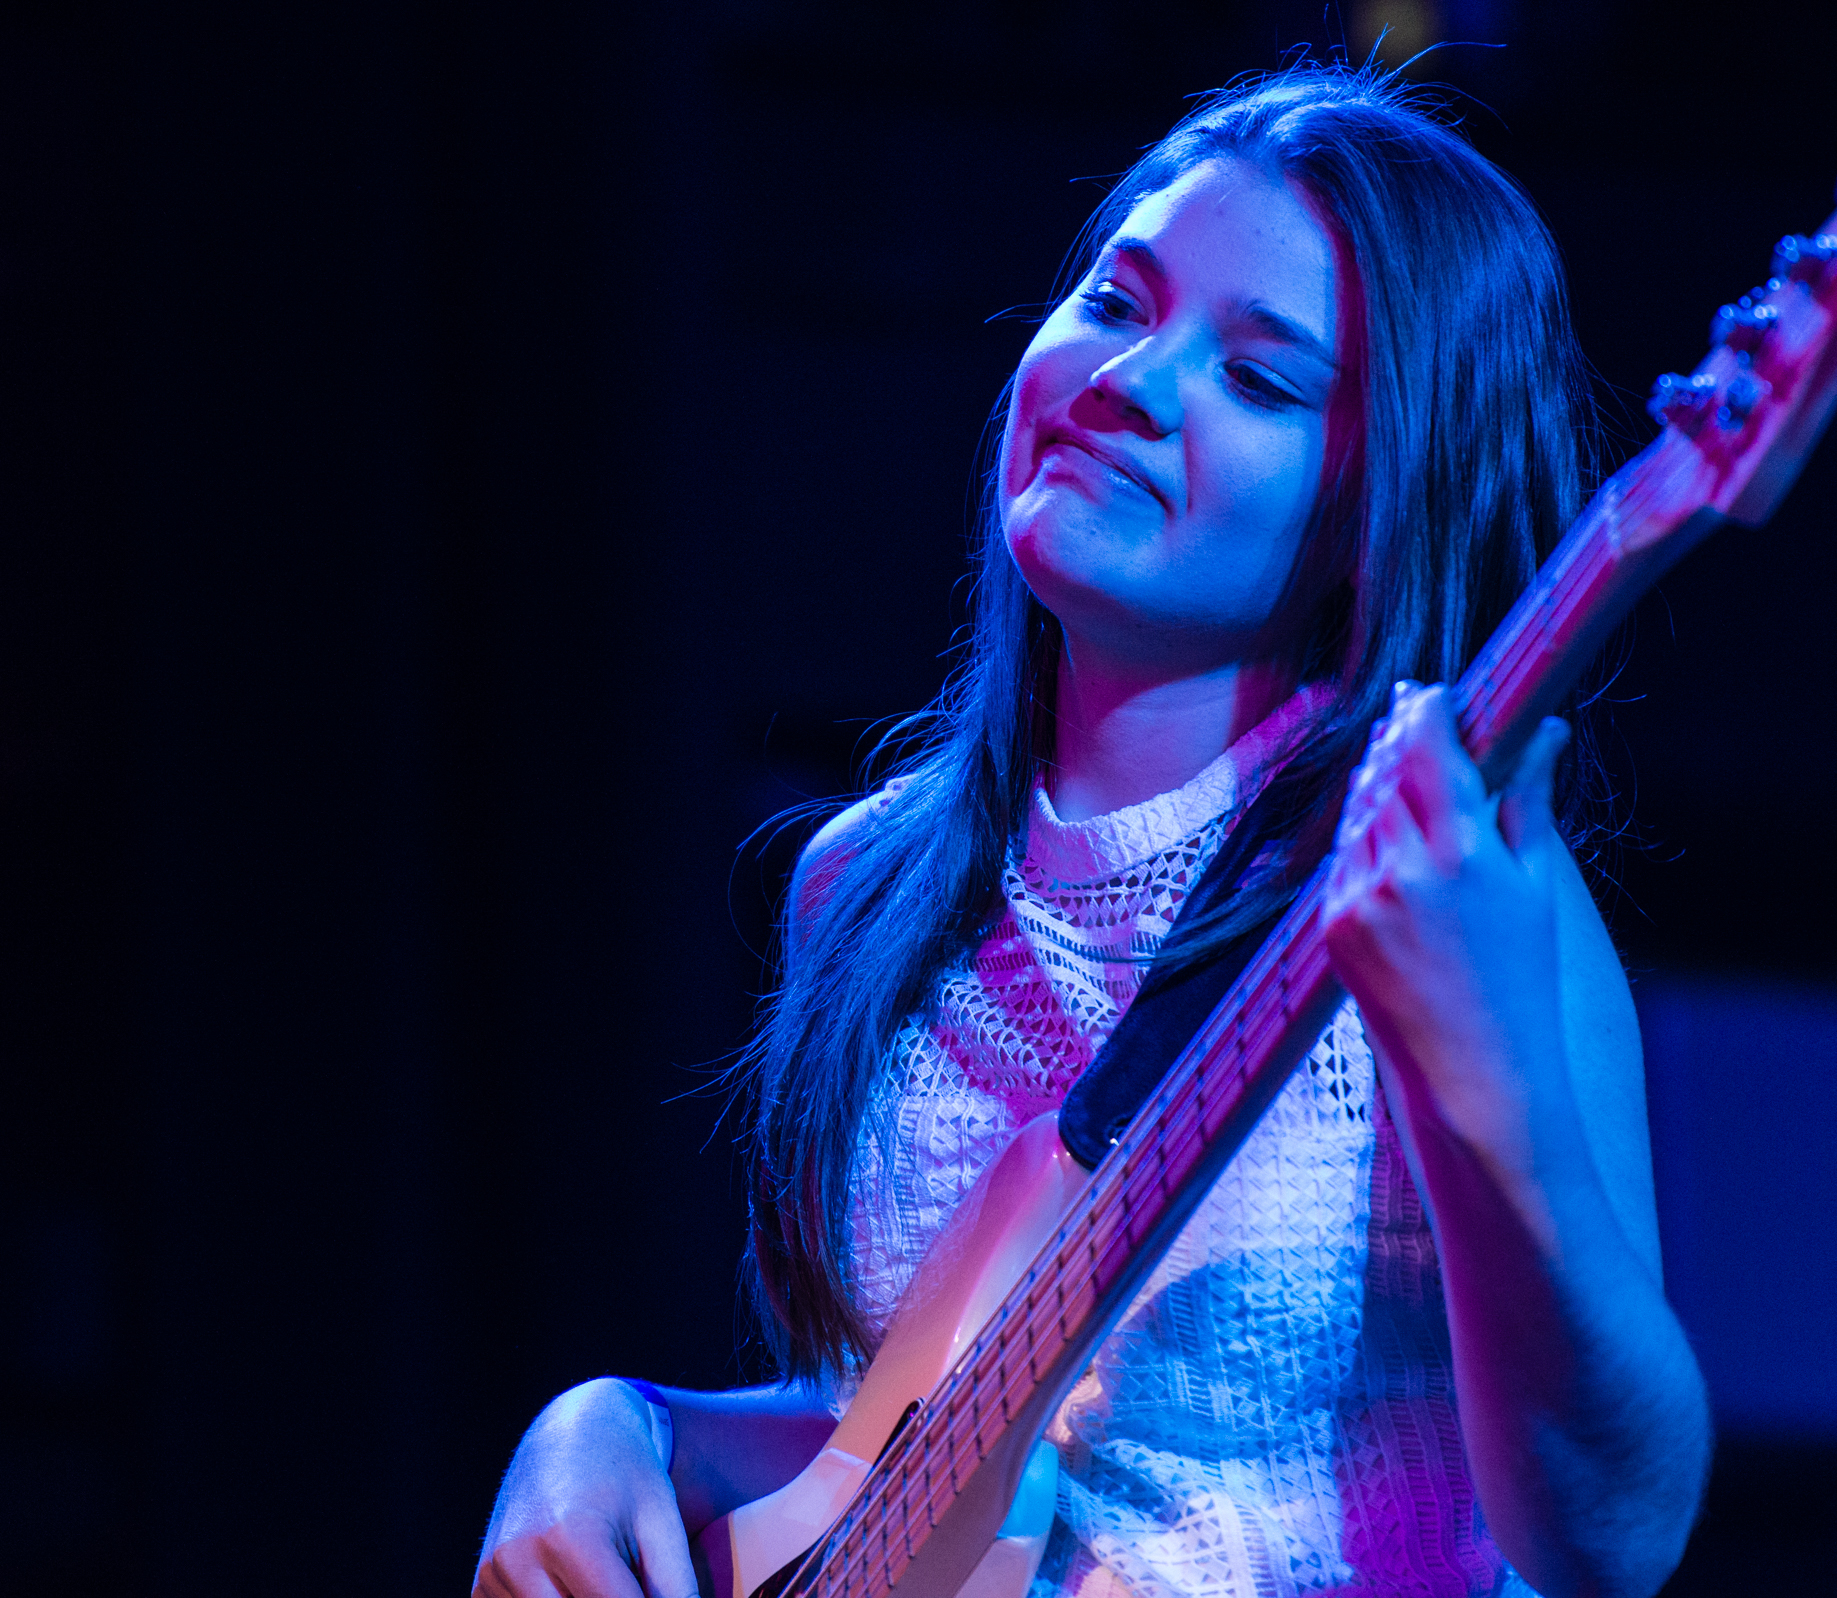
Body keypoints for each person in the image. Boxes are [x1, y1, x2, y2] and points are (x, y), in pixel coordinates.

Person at [474, 64, 1712, 1598]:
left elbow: (1614, 1535)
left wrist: (1483, 1081)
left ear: (1382, 507)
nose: (1132, 377)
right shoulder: (863, 886)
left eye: (1260, 378)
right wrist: (617, 1430)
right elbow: (891, 1447)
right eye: (1118, 302)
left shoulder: (1449, 897)